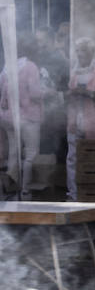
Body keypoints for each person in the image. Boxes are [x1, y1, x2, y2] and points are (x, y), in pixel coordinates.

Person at [0, 34, 53, 198]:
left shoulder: (7, 68)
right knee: (31, 153)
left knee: (14, 153)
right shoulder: (30, 67)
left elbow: (2, 97)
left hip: (9, 118)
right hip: (28, 118)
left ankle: (11, 186)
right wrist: (49, 92)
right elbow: (36, 94)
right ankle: (25, 189)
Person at [66, 37, 95, 199]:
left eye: (83, 51)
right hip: (75, 121)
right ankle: (74, 195)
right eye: (78, 51)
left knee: (94, 158)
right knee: (72, 159)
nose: (80, 54)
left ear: (91, 52)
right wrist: (70, 95)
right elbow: (70, 94)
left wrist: (87, 93)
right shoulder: (74, 70)